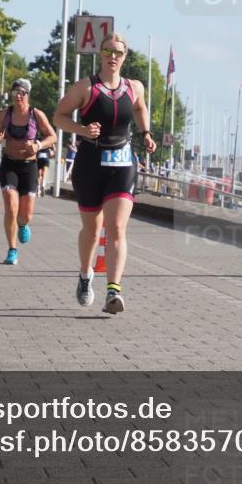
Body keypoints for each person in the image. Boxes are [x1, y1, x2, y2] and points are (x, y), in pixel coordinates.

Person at [53, 34, 156, 314]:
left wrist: (146, 132)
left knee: (117, 228)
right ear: (100, 54)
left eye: (118, 52)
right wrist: (82, 131)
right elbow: (59, 116)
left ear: (125, 56)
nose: (113, 56)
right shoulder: (85, 87)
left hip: (122, 162)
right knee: (92, 229)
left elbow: (139, 107)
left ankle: (114, 290)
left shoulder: (134, 87)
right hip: (90, 163)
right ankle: (86, 275)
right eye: (108, 51)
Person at [0, 78, 57, 265]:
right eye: (15, 93)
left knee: (26, 214)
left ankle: (23, 224)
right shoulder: (5, 114)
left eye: (21, 93)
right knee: (11, 207)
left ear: (28, 95)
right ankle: (12, 250)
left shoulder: (36, 115)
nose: (18, 97)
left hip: (29, 165)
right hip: (9, 164)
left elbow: (52, 136)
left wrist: (38, 145)